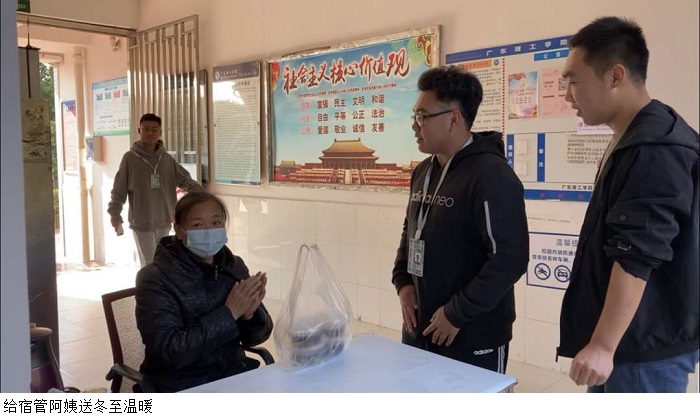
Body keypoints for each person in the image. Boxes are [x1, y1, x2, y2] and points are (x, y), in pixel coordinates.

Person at [558, 16, 699, 392]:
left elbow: (638, 252)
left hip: (641, 349)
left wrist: (604, 345)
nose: (568, 95)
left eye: (573, 81)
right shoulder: (633, 137)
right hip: (629, 341)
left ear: (615, 76)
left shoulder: (656, 146)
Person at [391, 66, 529, 373]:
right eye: (415, 116)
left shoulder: (492, 176)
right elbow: (411, 229)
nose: (415, 126)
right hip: (421, 324)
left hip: (470, 331)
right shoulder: (423, 171)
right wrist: (403, 281)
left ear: (453, 119)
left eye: (423, 116)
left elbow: (509, 259)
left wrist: (456, 313)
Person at [135, 191, 273, 392]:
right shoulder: (155, 278)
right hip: (181, 384)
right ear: (179, 231)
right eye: (198, 225)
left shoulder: (233, 266)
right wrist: (229, 314)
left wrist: (250, 316)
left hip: (232, 376)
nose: (209, 231)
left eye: (216, 222)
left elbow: (256, 338)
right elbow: (168, 352)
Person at [107, 113, 204, 267]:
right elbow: (119, 190)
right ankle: (147, 283)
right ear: (139, 131)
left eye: (154, 129)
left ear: (160, 132)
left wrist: (204, 197)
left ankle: (159, 284)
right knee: (148, 264)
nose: (150, 133)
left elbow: (186, 181)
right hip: (142, 222)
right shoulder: (130, 159)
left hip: (165, 220)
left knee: (162, 261)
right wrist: (115, 213)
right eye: (146, 129)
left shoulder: (166, 159)